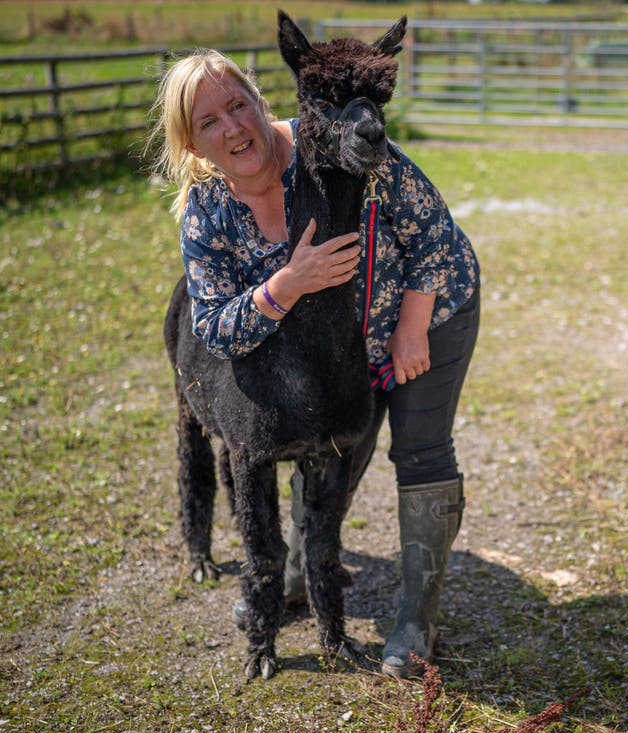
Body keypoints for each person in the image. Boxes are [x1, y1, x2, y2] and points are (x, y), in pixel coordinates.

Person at [149, 49, 480, 678]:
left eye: (238, 105)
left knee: (420, 446)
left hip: (426, 304)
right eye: (209, 121)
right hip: (341, 339)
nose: (234, 127)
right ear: (191, 142)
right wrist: (286, 285)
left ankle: (415, 615)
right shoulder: (208, 208)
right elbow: (215, 327)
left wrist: (412, 328)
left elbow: (433, 231)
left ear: (261, 101)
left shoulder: (333, 141)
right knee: (336, 444)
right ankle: (295, 574)